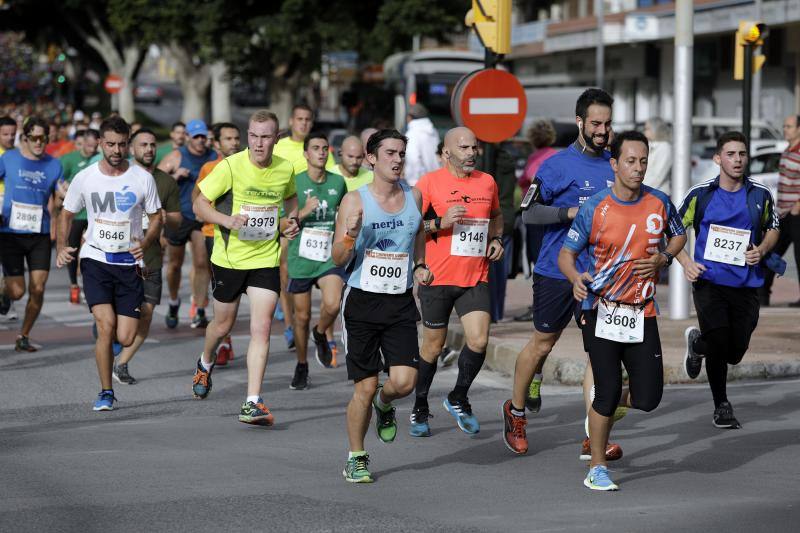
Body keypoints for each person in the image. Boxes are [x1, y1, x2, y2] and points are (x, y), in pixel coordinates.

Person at [559, 130, 686, 491]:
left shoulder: (660, 202)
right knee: (607, 390)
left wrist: (664, 256)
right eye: (631, 161)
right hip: (602, 308)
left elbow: (679, 235)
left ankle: (601, 414)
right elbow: (566, 254)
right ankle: (597, 466)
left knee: (649, 397)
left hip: (642, 313)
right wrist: (575, 278)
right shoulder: (595, 207)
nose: (638, 168)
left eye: (643, 161)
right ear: (614, 164)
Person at [503, 89, 626, 459]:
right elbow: (529, 212)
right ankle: (516, 411)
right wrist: (568, 213)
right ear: (579, 123)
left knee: (598, 355)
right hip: (557, 271)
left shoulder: (615, 164)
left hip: (600, 276)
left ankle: (594, 434)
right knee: (542, 344)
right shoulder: (557, 165)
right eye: (596, 124)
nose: (603, 130)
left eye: (607, 123)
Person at [332, 129, 432, 483]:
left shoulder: (414, 195)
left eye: (401, 153)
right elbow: (338, 256)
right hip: (361, 301)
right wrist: (351, 234)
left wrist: (419, 264)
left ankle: (384, 404)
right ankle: (356, 456)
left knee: (405, 382)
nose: (397, 160)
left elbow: (418, 231)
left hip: (400, 302)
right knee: (364, 385)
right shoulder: (355, 201)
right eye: (390, 153)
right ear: (371, 158)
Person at [190, 110, 300, 426]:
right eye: (253, 136)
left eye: (265, 137)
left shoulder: (284, 168)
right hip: (229, 260)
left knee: (261, 328)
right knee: (222, 326)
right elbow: (199, 203)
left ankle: (252, 401)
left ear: (276, 139)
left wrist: (290, 223)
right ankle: (205, 360)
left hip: (265, 258)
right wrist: (226, 220)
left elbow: (290, 201)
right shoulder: (231, 166)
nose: (258, 143)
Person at [56, 116, 162, 411]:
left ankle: (114, 341)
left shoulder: (142, 178)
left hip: (129, 264)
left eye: (122, 144)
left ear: (129, 144)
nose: (117, 150)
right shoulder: (86, 177)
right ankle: (106, 392)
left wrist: (146, 242)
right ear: (100, 143)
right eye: (111, 144)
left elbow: (156, 217)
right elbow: (65, 213)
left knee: (126, 336)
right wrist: (62, 247)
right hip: (96, 259)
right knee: (106, 327)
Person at [679, 131, 780, 429]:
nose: (737, 160)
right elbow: (671, 229)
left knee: (735, 352)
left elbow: (773, 228)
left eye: (742, 154)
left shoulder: (760, 194)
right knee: (720, 340)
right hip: (709, 280)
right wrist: (686, 262)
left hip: (747, 283)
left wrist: (761, 250)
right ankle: (721, 404)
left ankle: (698, 345)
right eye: (731, 154)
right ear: (717, 158)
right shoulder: (701, 194)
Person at [411, 127, 503, 437]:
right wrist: (440, 222)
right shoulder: (429, 183)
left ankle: (458, 396)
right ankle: (420, 404)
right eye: (464, 148)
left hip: (475, 275)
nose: (471, 153)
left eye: (474, 147)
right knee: (433, 347)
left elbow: (497, 215)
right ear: (447, 152)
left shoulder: (487, 182)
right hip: (437, 278)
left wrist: (497, 239)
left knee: (478, 340)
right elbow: (411, 227)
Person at [112, 128, 182, 385]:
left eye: (153, 145)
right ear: (132, 148)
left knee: (147, 312)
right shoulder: (119, 176)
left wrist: (162, 216)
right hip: (117, 257)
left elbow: (177, 221)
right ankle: (111, 337)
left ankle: (121, 363)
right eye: (143, 144)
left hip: (150, 259)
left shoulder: (166, 182)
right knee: (114, 315)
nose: (149, 149)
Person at [286, 132, 347, 389]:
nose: (322, 152)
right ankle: (302, 365)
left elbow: (344, 214)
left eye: (325, 148)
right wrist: (302, 212)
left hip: (327, 257)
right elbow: (285, 221)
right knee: (300, 317)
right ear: (305, 154)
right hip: (301, 257)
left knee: (333, 304)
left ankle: (320, 332)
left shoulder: (338, 182)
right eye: (316, 148)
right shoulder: (294, 183)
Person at [0, 116, 64, 351]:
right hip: (10, 232)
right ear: (24, 138)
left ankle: (23, 335)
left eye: (43, 138)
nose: (39, 142)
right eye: (34, 138)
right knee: (18, 292)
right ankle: (5, 290)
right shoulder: (8, 159)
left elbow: (60, 191)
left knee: (38, 288)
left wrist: (63, 194)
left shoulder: (53, 164)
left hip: (40, 234)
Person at [158, 119, 218, 329]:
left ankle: (200, 309)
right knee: (174, 265)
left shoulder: (213, 157)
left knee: (202, 263)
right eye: (196, 137)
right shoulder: (177, 155)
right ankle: (174, 301)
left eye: (203, 136)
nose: (201, 141)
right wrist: (175, 175)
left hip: (200, 218)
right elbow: (156, 181)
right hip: (179, 216)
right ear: (188, 138)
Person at [193, 122, 242, 366]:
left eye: (236, 138)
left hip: (242, 237)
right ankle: (224, 340)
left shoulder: (247, 166)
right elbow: (197, 200)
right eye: (228, 138)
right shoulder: (209, 167)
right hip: (214, 234)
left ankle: (224, 337)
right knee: (221, 290)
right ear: (216, 143)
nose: (233, 142)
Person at [515, 120, 558, 323]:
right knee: (549, 258)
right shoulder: (557, 156)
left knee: (537, 260)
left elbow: (529, 179)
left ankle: (539, 305)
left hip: (535, 214)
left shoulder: (534, 158)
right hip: (552, 214)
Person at [760, 114, 800, 307]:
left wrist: (797, 206)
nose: (785, 129)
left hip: (796, 213)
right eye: (784, 126)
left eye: (789, 126)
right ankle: (762, 294)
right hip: (782, 213)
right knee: (770, 251)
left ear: (799, 129)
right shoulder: (787, 150)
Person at [60, 129, 100, 303]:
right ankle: (73, 284)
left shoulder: (100, 160)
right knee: (73, 250)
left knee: (91, 251)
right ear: (82, 142)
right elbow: (58, 181)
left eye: (95, 146)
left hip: (93, 214)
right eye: (89, 145)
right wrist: (64, 192)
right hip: (76, 214)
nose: (92, 149)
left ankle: (90, 284)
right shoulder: (69, 159)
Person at [403, 104, 440, 186]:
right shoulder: (433, 131)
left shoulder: (412, 134)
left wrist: (413, 181)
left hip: (419, 183)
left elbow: (413, 159)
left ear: (409, 117)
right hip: (436, 180)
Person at [642, 117, 672, 196]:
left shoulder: (665, 147)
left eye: (647, 128)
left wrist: (639, 190)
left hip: (657, 194)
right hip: (646, 192)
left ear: (656, 129)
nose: (644, 131)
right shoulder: (649, 145)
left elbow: (658, 176)